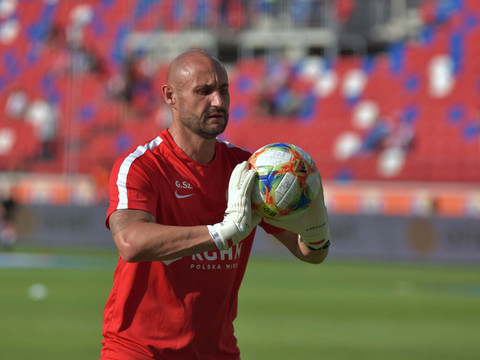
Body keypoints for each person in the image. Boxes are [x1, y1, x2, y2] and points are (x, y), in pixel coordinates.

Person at [100, 49, 330, 360]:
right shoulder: (142, 166)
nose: (218, 102)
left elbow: (310, 253)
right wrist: (223, 232)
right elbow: (131, 242)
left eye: (223, 89)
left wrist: (315, 221)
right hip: (139, 351)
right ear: (170, 96)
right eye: (203, 91)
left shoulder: (250, 169)